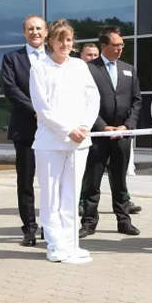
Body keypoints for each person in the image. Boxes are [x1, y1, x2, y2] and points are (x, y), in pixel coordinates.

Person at [29, 19, 100, 262]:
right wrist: (68, 129)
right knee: (51, 196)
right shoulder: (39, 68)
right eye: (60, 40)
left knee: (72, 194)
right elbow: (42, 108)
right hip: (50, 143)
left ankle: (71, 243)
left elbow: (93, 98)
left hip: (79, 142)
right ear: (50, 41)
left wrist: (84, 126)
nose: (65, 45)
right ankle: (55, 244)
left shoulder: (80, 66)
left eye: (69, 40)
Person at [79, 27, 142, 238]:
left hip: (122, 135)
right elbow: (83, 101)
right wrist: (101, 126)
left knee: (120, 181)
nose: (120, 49)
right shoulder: (88, 69)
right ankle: (89, 222)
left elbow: (137, 101)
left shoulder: (129, 69)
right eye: (115, 45)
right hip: (98, 136)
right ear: (104, 46)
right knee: (92, 181)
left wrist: (127, 126)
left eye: (122, 45)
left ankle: (124, 221)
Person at [1, 15, 48, 247]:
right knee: (26, 181)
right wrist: (36, 110)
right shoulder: (12, 59)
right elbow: (11, 89)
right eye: (30, 29)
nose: (35, 32)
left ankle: (50, 227)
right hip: (26, 129)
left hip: (53, 129)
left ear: (46, 32)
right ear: (24, 33)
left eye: (39, 28)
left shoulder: (55, 57)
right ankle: (29, 228)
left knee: (52, 181)